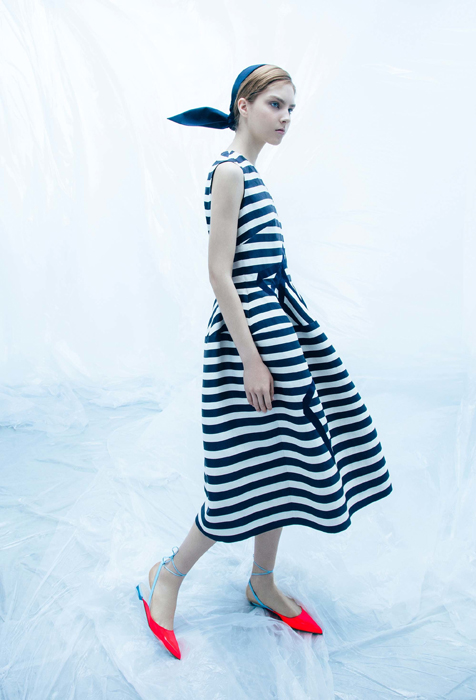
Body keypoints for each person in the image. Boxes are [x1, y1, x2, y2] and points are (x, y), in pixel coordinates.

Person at [136, 64, 393, 660]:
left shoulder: (249, 173)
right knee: (238, 476)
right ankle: (166, 576)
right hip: (249, 339)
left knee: (280, 461)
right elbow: (219, 274)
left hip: (280, 330)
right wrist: (252, 361)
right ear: (243, 105)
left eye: (291, 108)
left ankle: (262, 580)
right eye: (276, 104)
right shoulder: (229, 171)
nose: (285, 118)